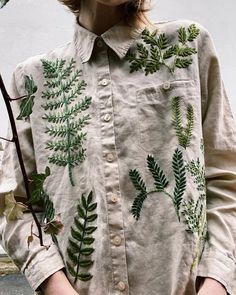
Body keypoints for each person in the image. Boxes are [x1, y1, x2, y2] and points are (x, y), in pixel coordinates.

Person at [0, 0, 235, 294]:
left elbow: (226, 179)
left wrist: (215, 284)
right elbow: (15, 207)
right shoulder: (32, 80)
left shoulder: (187, 47)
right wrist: (55, 285)